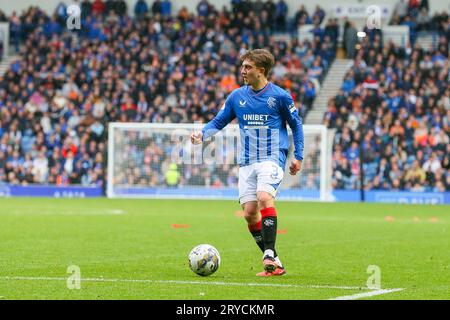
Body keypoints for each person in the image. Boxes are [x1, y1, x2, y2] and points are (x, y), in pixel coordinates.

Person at [190, 49, 304, 276]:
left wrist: (298, 156)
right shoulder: (236, 97)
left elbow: (296, 125)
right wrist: (202, 134)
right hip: (247, 161)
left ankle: (269, 253)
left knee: (264, 197)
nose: (242, 71)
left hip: (272, 156)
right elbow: (219, 121)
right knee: (250, 212)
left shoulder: (280, 96)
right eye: (242, 66)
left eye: (248, 67)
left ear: (261, 71)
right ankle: (275, 263)